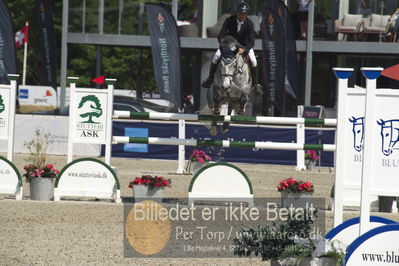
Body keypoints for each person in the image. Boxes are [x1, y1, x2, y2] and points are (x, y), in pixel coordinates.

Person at [201, 2, 262, 92]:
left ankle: (255, 84)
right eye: (240, 13)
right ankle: (210, 79)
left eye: (244, 14)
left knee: (253, 60)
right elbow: (221, 34)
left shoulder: (250, 24)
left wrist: (245, 49)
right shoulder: (229, 20)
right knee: (216, 57)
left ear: (246, 14)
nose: (242, 16)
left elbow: (251, 41)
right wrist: (224, 44)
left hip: (244, 46)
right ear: (237, 13)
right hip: (229, 46)